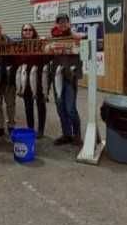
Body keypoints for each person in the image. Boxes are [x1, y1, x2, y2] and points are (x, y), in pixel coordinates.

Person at [51, 14, 83, 147]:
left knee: (70, 108)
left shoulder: (76, 37)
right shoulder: (52, 39)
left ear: (69, 23)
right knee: (60, 108)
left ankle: (77, 134)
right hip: (57, 76)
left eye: (65, 22)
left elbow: (87, 45)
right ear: (56, 24)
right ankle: (66, 134)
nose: (62, 24)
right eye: (60, 22)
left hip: (70, 77)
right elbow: (44, 50)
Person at [20, 23, 46, 137]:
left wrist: (44, 42)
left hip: (39, 78)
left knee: (41, 105)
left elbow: (48, 57)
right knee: (28, 106)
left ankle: (41, 130)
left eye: (30, 29)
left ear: (33, 31)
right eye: (25, 30)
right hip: (25, 78)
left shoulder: (40, 43)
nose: (27, 31)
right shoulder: (18, 45)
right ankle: (30, 128)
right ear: (22, 32)